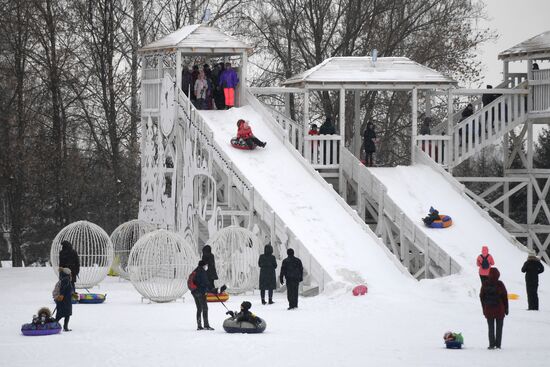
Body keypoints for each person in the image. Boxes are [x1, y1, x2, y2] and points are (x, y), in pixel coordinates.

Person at [480, 267, 508, 349]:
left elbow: (481, 297)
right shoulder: (500, 284)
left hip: (488, 309)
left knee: (490, 328)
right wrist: (506, 308)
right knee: (499, 328)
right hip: (499, 309)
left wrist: (484, 308)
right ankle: (498, 345)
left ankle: (491, 344)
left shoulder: (485, 284)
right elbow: (505, 297)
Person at [191, 260, 213, 330]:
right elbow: (205, 283)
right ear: (203, 265)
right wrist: (209, 288)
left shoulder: (195, 270)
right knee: (205, 308)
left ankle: (199, 325)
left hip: (194, 292)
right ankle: (206, 325)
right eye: (206, 265)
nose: (206, 267)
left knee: (199, 309)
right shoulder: (202, 272)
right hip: (201, 293)